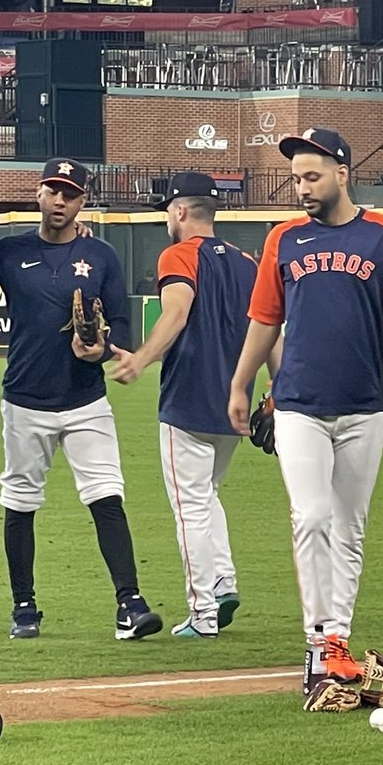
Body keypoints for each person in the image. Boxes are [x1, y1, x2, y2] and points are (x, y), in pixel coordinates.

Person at [226, 127, 383, 697]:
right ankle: (318, 645)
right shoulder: (283, 239)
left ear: (343, 173)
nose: (301, 186)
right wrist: (242, 384)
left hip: (363, 407)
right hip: (298, 405)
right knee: (312, 516)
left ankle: (338, 644)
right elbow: (265, 318)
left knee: (349, 527)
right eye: (296, 177)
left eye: (311, 175)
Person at [0, 158, 162, 641]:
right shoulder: (10, 252)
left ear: (81, 201)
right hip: (25, 398)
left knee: (106, 497)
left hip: (84, 398)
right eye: (53, 190)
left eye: (70, 193)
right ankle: (24, 607)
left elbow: (120, 323)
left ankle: (130, 604)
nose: (60, 200)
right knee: (20, 502)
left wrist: (100, 346)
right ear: (38, 194)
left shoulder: (101, 257)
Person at [110, 171, 268, 639]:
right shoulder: (246, 264)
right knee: (206, 496)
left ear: (179, 210)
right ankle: (223, 582)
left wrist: (141, 358)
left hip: (189, 402)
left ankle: (202, 613)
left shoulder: (178, 254)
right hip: (234, 404)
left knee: (190, 509)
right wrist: (277, 392)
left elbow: (176, 312)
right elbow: (270, 329)